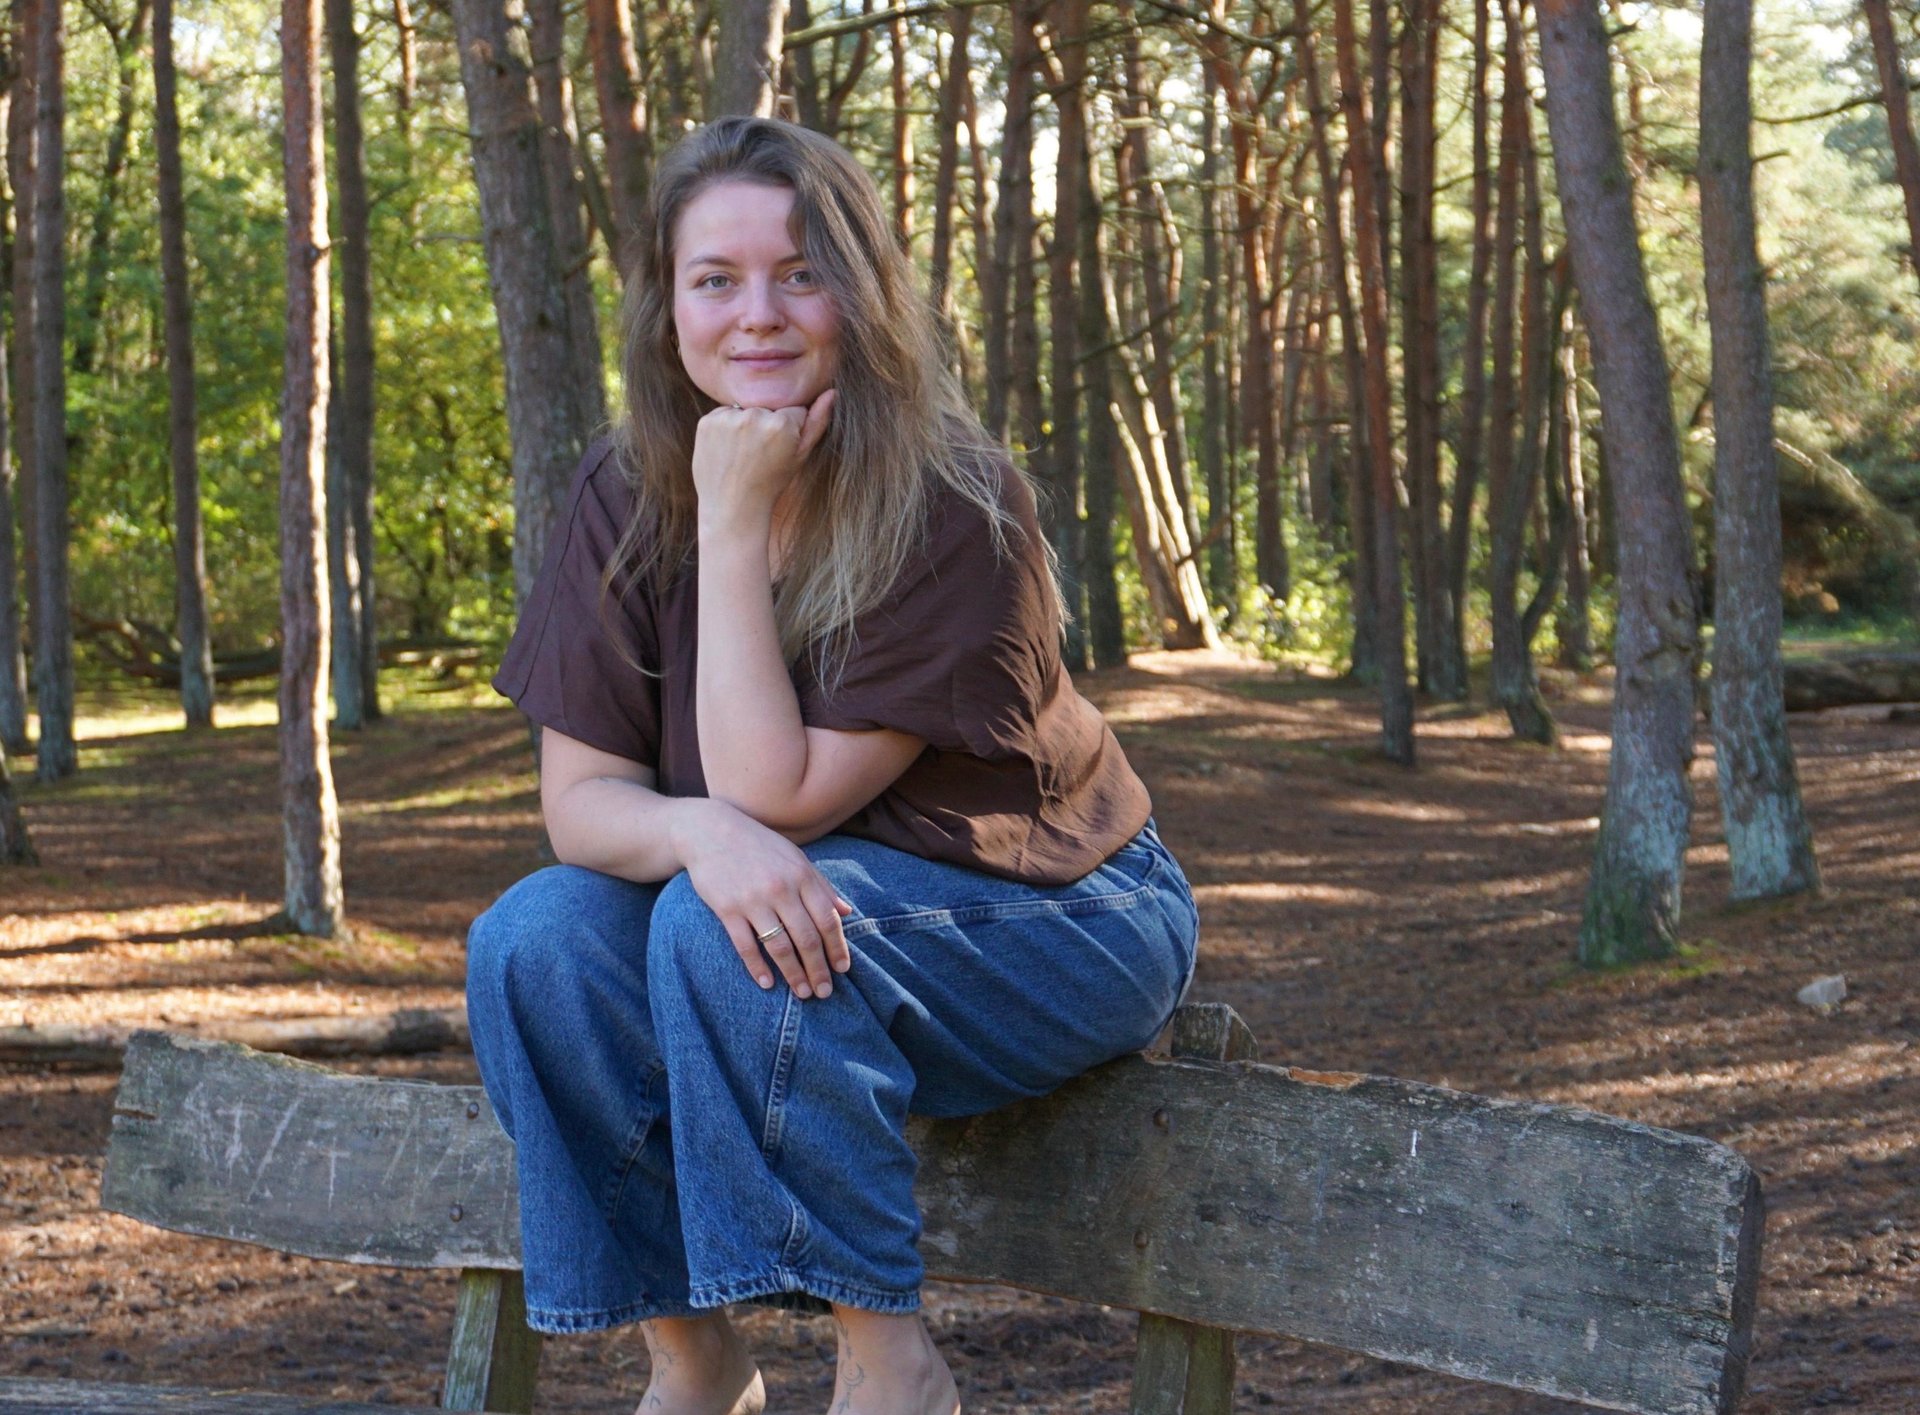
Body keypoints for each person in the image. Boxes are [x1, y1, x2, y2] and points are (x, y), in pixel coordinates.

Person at [466, 115, 1200, 1415]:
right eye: (716, 279)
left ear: (859, 293)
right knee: (533, 941)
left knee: (715, 921)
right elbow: (581, 808)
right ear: (666, 305)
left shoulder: (952, 501)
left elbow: (772, 800)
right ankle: (699, 1363)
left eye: (800, 272)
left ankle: (888, 1360)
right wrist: (698, 836)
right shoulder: (621, 491)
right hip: (796, 928)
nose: (758, 314)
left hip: (1057, 919)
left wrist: (737, 520)